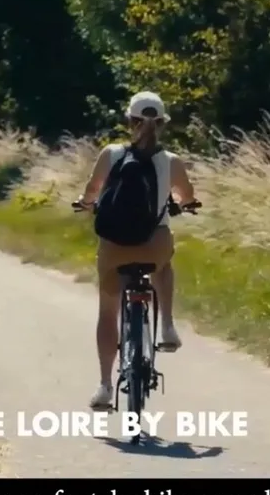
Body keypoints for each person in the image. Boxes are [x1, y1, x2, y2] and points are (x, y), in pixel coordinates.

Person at [75, 91, 197, 410]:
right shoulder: (171, 162)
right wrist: (185, 205)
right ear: (163, 124)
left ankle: (104, 386)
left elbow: (92, 190)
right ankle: (167, 325)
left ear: (130, 121)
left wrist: (87, 204)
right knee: (164, 264)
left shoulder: (111, 154)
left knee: (108, 312)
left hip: (114, 248)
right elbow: (187, 197)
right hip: (154, 245)